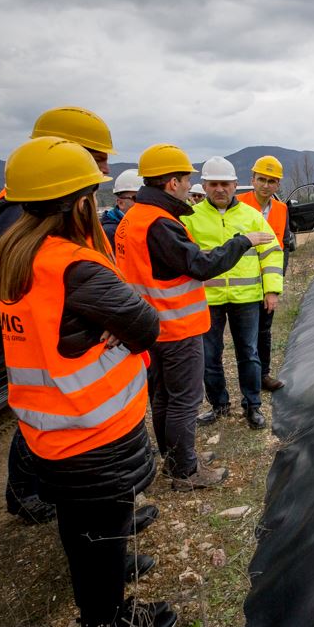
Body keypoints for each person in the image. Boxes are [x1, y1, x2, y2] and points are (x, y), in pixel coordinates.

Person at [0, 136, 175, 627]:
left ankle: (102, 612)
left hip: (47, 428)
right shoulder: (75, 266)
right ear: (79, 202)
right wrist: (112, 323)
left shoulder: (10, 257)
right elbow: (145, 325)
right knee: (100, 531)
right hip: (96, 430)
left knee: (81, 529)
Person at [0, 107, 158, 536]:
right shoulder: (25, 217)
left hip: (64, 358)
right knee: (47, 422)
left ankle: (103, 518)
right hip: (64, 378)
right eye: (96, 158)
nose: (104, 169)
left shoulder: (24, 208)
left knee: (48, 427)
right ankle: (31, 496)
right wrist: (106, 319)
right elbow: (53, 291)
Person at [117, 144, 272, 489]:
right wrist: (242, 241)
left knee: (163, 397)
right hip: (175, 326)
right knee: (183, 401)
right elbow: (200, 265)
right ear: (172, 182)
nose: (191, 186)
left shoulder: (134, 218)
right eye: (187, 179)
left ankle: (176, 459)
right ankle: (184, 471)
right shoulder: (160, 223)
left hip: (151, 325)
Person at [184, 157, 282, 429]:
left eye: (225, 184)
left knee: (249, 353)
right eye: (213, 184)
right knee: (209, 356)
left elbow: (272, 253)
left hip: (247, 298)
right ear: (204, 186)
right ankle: (219, 405)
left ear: (235, 185)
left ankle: (252, 405)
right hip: (208, 300)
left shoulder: (252, 217)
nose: (219, 189)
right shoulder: (190, 219)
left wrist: (272, 289)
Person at [236, 155, 292, 391]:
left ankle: (263, 375)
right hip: (242, 283)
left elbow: (284, 245)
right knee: (245, 336)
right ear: (253, 180)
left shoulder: (281, 209)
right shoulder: (237, 204)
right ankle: (248, 382)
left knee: (264, 330)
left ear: (277, 184)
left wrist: (276, 284)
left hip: (268, 281)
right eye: (261, 179)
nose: (266, 185)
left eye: (271, 181)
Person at [101, 168, 142, 249]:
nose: (143, 203)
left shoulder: (141, 225)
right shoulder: (109, 233)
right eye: (137, 198)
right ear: (120, 203)